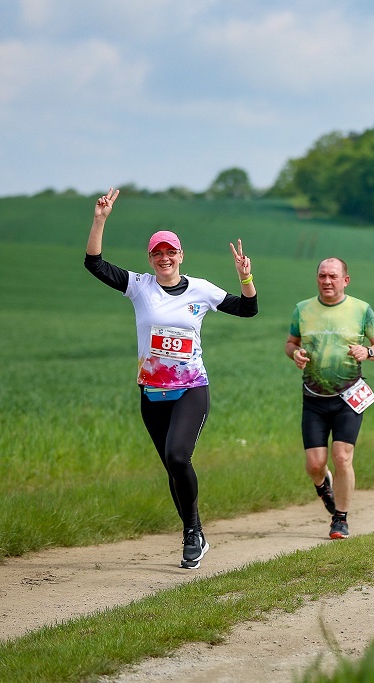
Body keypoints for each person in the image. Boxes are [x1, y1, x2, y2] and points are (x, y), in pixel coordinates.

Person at [84, 188, 258, 569]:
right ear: (151, 258)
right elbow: (94, 264)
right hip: (152, 392)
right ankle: (193, 530)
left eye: (171, 252)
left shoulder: (202, 290)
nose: (164, 258)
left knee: (179, 455)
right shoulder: (139, 286)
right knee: (172, 464)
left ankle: (192, 532)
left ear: (181, 256)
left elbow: (248, 309)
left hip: (191, 388)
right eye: (157, 253)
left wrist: (246, 277)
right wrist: (100, 219)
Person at [285, 258, 374, 539]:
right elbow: (291, 343)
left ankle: (340, 518)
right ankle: (323, 485)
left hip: (349, 396)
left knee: (342, 457)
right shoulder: (302, 310)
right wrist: (295, 353)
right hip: (314, 397)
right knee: (315, 465)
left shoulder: (361, 309)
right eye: (322, 276)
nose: (327, 281)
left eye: (333, 276)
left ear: (345, 280)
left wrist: (367, 352)